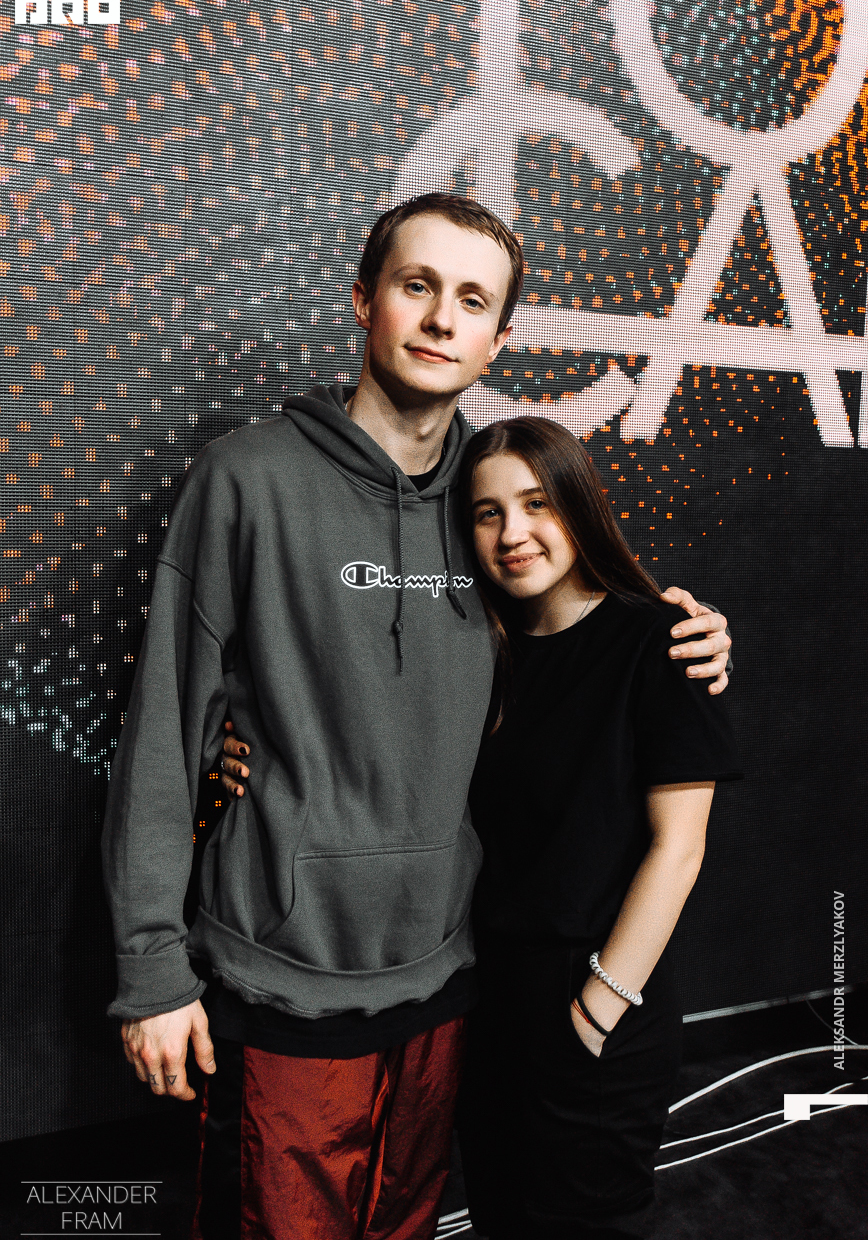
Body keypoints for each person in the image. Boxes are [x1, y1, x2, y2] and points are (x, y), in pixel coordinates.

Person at [102, 192, 732, 1240]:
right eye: (417, 285)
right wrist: (149, 970)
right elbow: (163, 735)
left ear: (499, 339)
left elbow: (583, 641)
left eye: (473, 300)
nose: (443, 317)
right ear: (365, 300)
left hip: (450, 980)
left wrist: (688, 631)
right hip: (283, 979)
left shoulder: (490, 505)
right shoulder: (246, 478)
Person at [456, 417, 742, 1239]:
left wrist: (597, 1007)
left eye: (536, 503)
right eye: (487, 513)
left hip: (595, 1001)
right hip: (489, 1002)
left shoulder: (661, 639)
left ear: (579, 506)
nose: (512, 533)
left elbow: (678, 848)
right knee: (500, 1219)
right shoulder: (481, 651)